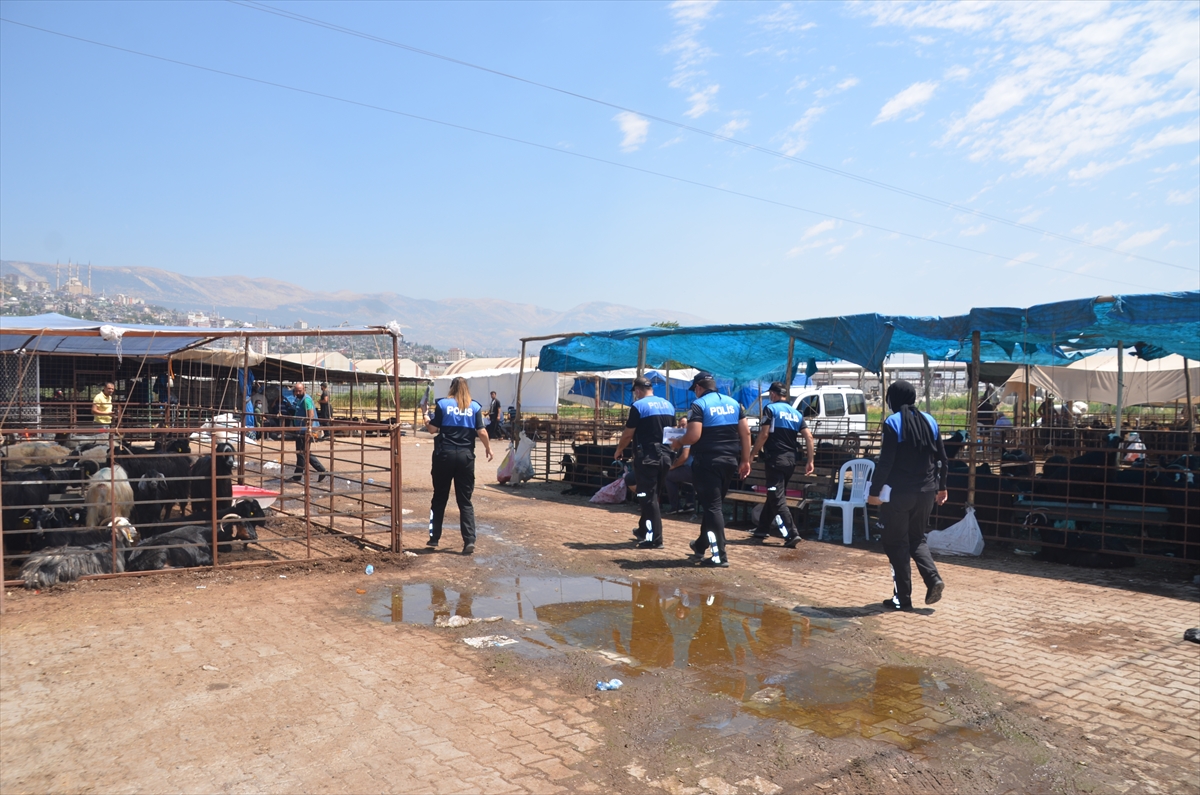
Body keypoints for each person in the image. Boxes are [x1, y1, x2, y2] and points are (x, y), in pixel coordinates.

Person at [867, 379, 948, 611]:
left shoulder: (893, 422)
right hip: (927, 493)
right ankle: (933, 579)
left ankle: (902, 598)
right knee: (917, 539)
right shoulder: (930, 421)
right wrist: (942, 487)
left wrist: (874, 491)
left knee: (896, 544)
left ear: (893, 398)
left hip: (899, 494)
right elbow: (943, 459)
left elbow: (886, 462)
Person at [672, 372, 750, 568]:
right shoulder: (734, 404)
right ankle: (700, 546)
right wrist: (745, 460)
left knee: (713, 507)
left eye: (695, 390)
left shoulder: (699, 405)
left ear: (699, 387)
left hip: (707, 462)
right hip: (730, 462)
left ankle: (719, 556)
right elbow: (746, 433)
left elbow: (693, 435)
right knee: (713, 505)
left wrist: (678, 442)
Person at [425, 376, 493, 555]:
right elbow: (482, 431)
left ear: (451, 388)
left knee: (439, 497)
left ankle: (434, 537)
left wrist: (426, 418)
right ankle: (469, 540)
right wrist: (488, 448)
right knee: (465, 501)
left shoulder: (442, 405)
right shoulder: (474, 407)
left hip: (444, 455)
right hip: (466, 457)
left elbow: (432, 429)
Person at [747, 381, 814, 548]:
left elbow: (764, 435)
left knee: (777, 497)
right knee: (774, 493)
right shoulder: (796, 414)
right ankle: (762, 528)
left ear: (773, 394)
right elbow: (809, 437)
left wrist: (752, 455)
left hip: (775, 460)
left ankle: (792, 533)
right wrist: (810, 460)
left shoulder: (771, 409)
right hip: (790, 461)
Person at [613, 376, 676, 549]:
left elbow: (628, 434)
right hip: (666, 456)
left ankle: (655, 538)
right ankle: (643, 530)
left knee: (648, 498)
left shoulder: (638, 406)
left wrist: (619, 449)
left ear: (638, 391)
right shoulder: (668, 405)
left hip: (647, 457)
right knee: (652, 495)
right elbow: (672, 433)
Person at [288, 383, 326, 483]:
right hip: (301, 428)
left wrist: (309, 428)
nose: (297, 393)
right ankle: (320, 470)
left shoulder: (306, 400)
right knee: (304, 452)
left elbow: (311, 414)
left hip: (304, 430)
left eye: (299, 391)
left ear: (304, 390)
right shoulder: (300, 399)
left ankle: (298, 476)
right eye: (296, 391)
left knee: (302, 452)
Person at [665, 416, 694, 514]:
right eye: (679, 426)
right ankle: (690, 503)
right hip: (693, 469)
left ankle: (675, 506)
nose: (681, 428)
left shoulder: (688, 437)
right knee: (679, 474)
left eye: (683, 425)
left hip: (691, 469)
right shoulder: (691, 436)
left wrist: (673, 466)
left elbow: (684, 456)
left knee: (668, 476)